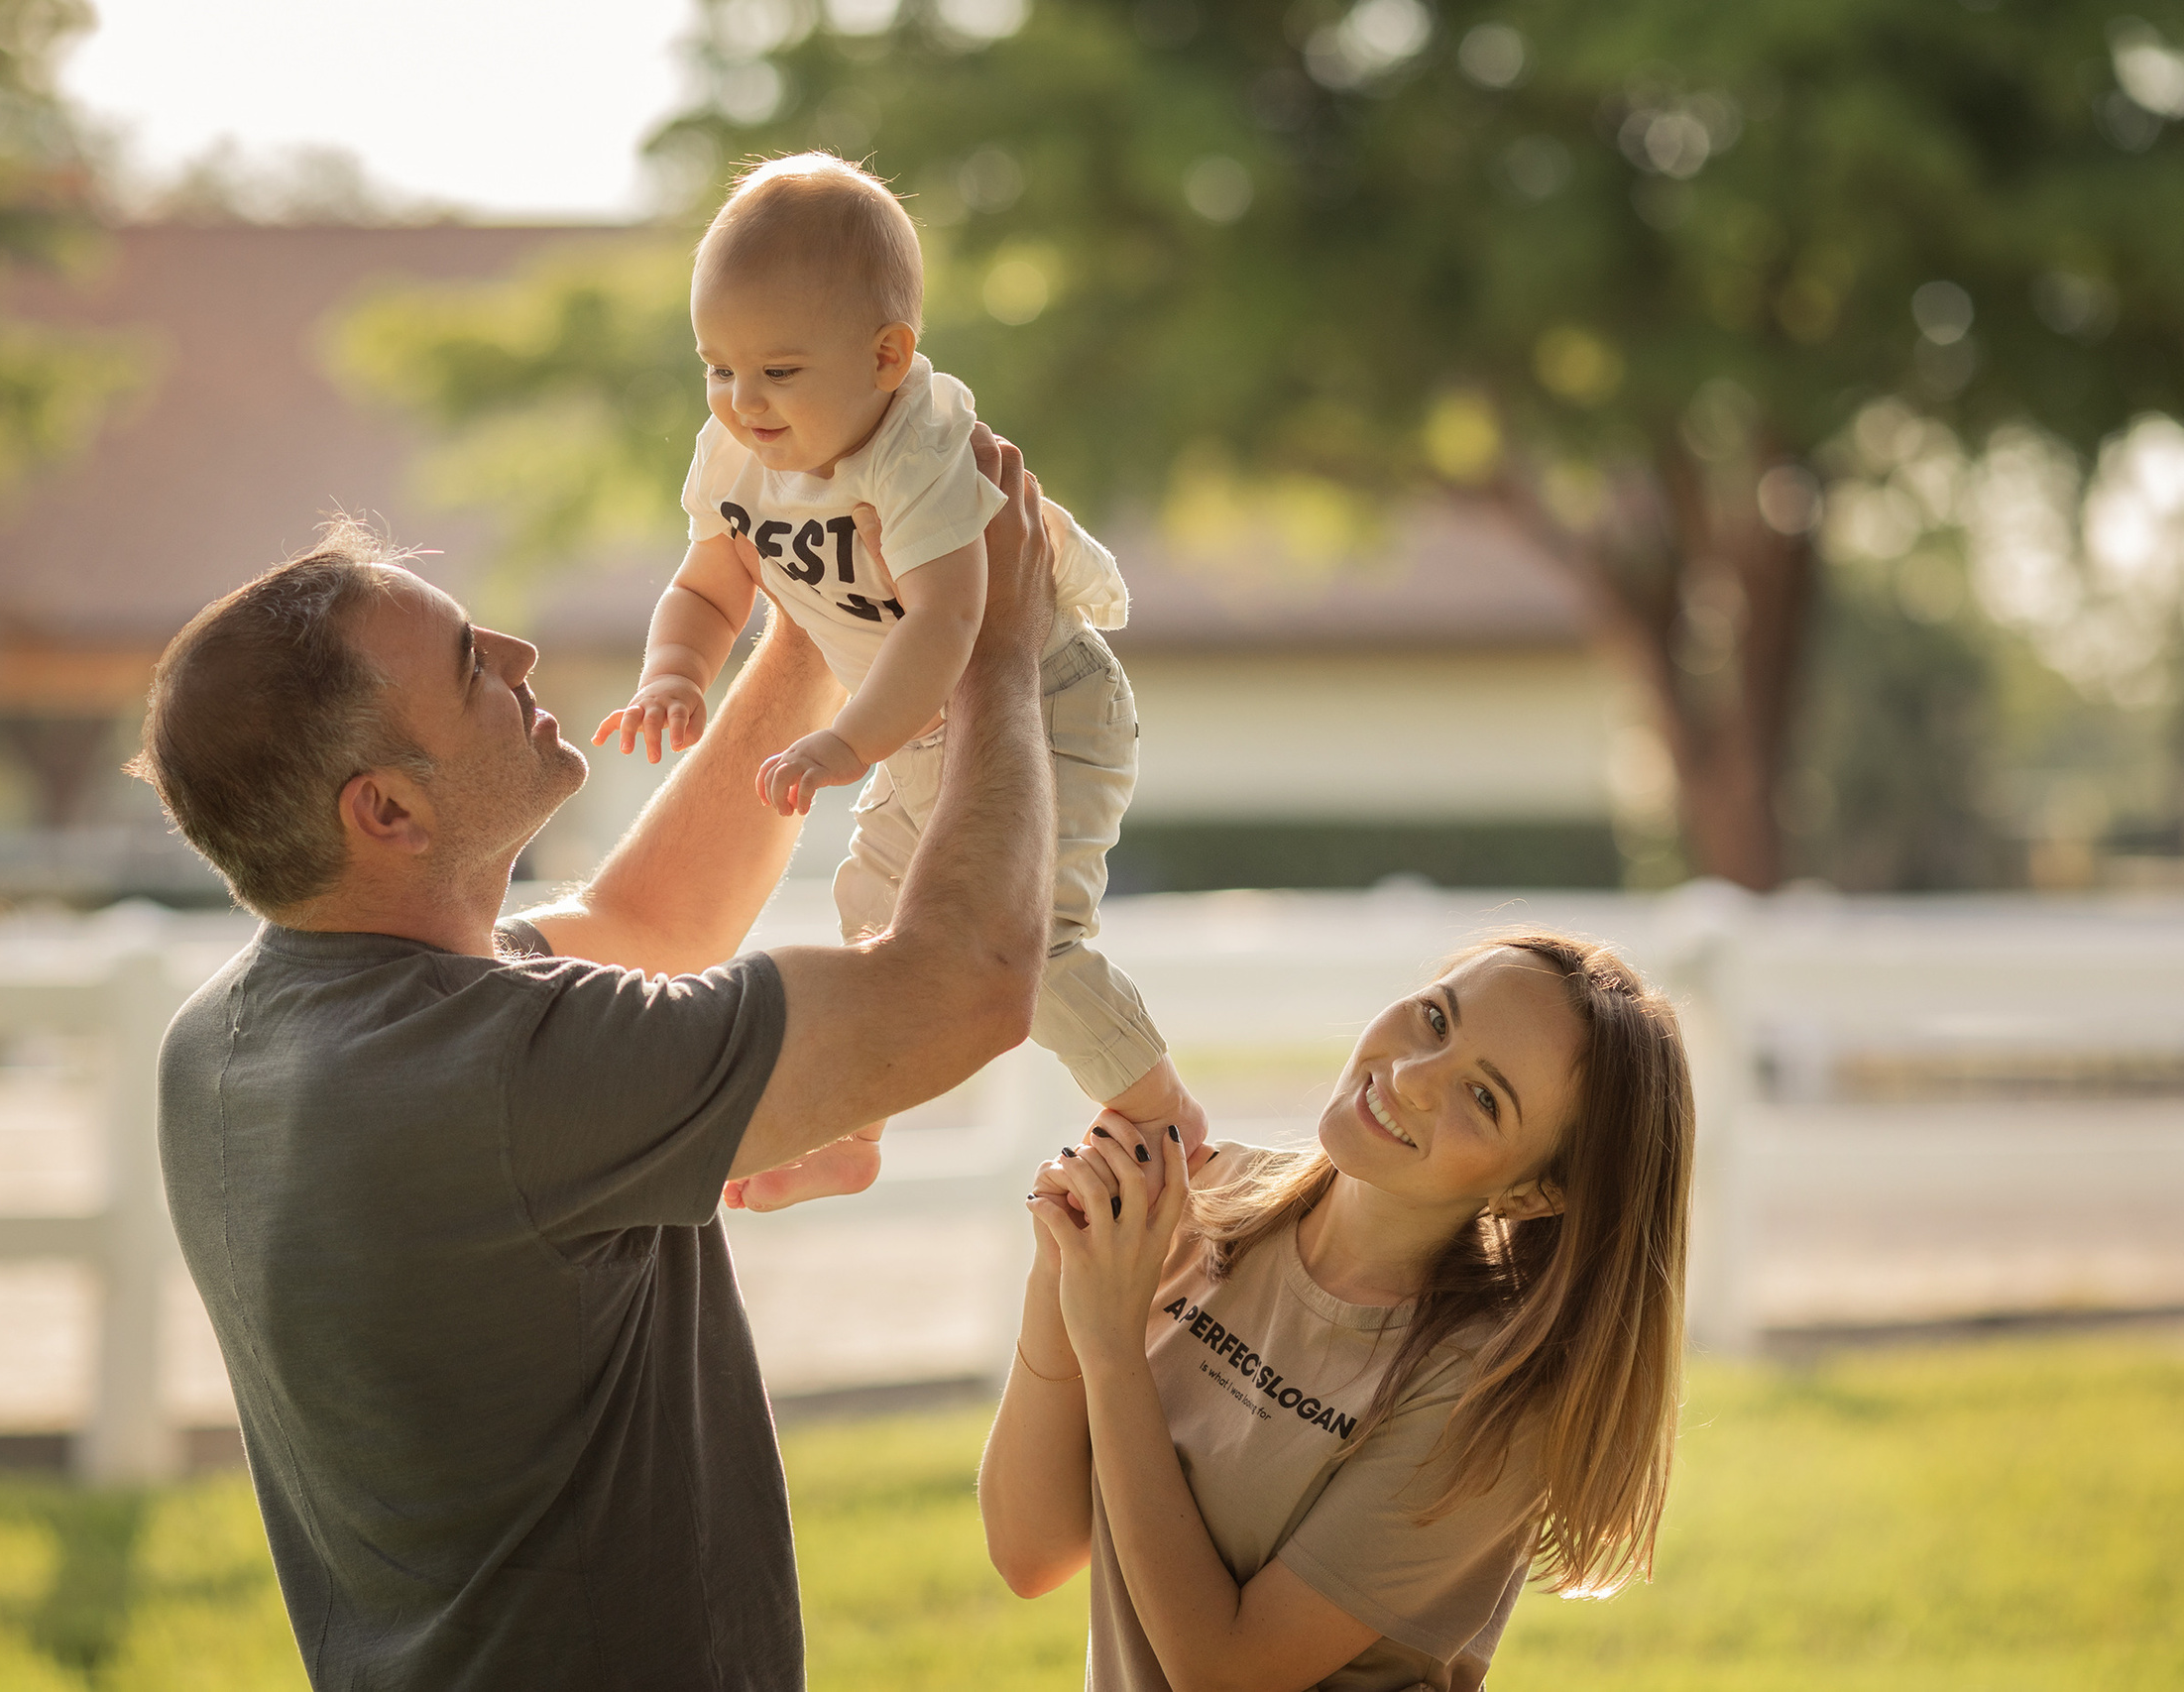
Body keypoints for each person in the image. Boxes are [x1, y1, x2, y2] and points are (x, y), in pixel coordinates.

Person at [128, 430, 1083, 1689]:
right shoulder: (504, 1070)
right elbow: (963, 989)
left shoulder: (238, 1032)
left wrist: (809, 611)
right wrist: (997, 647)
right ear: (389, 812)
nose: (519, 657)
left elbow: (656, 930)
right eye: (471, 664)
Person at [591, 152, 1206, 1212]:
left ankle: (1160, 1111)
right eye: (717, 368)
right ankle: (847, 1132)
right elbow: (708, 583)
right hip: (920, 723)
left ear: (886, 356)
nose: (743, 402)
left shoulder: (917, 454)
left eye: (778, 371)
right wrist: (674, 674)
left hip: (1042, 707)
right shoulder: (738, 450)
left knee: (1025, 941)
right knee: (877, 921)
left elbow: (953, 625)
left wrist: (845, 742)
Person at [980, 937, 1694, 1691]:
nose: (1414, 1076)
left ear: (1533, 1193)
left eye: (1483, 1098)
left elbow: (1224, 1672)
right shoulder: (1208, 1199)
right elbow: (1031, 1551)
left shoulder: (1489, 1396)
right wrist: (1064, 1263)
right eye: (1435, 1018)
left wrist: (1112, 1346)